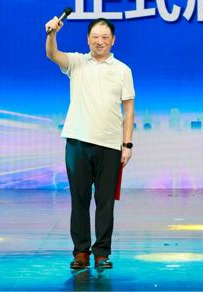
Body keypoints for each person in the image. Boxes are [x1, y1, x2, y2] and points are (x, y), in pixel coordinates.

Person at [44, 15, 135, 270]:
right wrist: (52, 34)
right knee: (80, 200)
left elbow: (129, 110)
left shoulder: (123, 70)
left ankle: (102, 253)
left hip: (110, 145)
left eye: (105, 37)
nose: (99, 41)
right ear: (88, 39)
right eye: (95, 37)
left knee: (105, 202)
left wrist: (127, 145)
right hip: (78, 143)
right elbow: (52, 54)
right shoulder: (77, 63)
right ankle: (81, 252)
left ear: (113, 40)